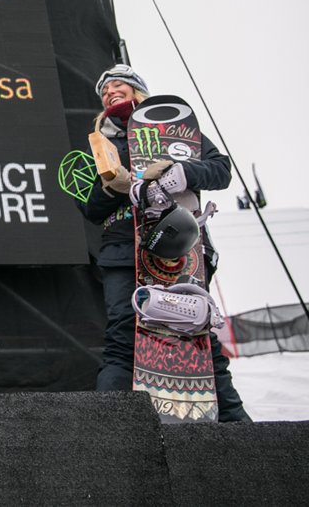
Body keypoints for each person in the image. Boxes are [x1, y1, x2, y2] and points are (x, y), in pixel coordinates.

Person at [76, 64, 249, 421]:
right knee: (125, 332)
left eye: (118, 86)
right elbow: (91, 208)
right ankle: (107, 428)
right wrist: (116, 187)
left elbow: (222, 170)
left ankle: (239, 427)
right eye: (104, 92)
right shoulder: (103, 146)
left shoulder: (179, 132)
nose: (109, 93)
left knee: (196, 330)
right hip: (124, 249)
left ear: (138, 90)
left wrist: (184, 172)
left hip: (179, 247)